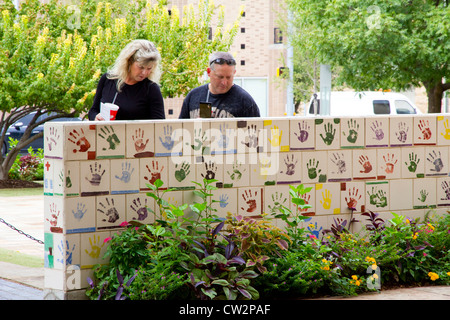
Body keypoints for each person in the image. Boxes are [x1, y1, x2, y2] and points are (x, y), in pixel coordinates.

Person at [88, 39, 165, 121]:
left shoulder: (151, 89)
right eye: (141, 67)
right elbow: (93, 111)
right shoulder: (108, 79)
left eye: (149, 68)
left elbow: (159, 126)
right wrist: (96, 117)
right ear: (129, 61)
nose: (144, 72)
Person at [179, 52, 260, 118]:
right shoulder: (193, 96)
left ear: (234, 73)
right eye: (220, 77)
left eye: (229, 77)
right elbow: (180, 132)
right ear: (209, 72)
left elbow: (258, 133)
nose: (224, 82)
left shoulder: (245, 101)